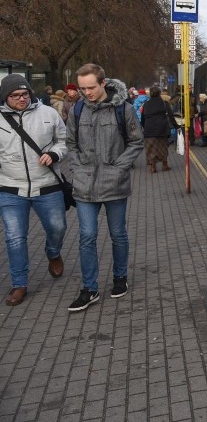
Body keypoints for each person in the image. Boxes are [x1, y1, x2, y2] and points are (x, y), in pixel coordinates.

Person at [65, 63, 143, 312]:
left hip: (114, 183)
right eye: (82, 88)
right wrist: (77, 169)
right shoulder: (77, 109)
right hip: (85, 184)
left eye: (91, 87)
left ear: (103, 83)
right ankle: (89, 289)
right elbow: (71, 143)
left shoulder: (124, 109)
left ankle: (120, 277)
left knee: (117, 234)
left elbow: (136, 142)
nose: (86, 92)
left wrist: (118, 167)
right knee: (86, 236)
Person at [0, 75, 68, 306]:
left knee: (58, 228)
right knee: (14, 238)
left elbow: (64, 140)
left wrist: (56, 154)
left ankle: (53, 252)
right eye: (15, 95)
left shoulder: (48, 113)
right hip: (11, 188)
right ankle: (19, 284)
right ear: (5, 97)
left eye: (25, 94)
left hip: (47, 185)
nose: (21, 99)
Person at [141, 86, 176, 173]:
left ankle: (153, 167)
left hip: (149, 130)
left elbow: (143, 118)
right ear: (160, 93)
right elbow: (171, 116)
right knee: (163, 147)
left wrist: (144, 127)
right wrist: (176, 125)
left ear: (150, 94)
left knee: (151, 148)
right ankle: (165, 165)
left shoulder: (146, 104)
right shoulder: (164, 103)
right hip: (162, 129)